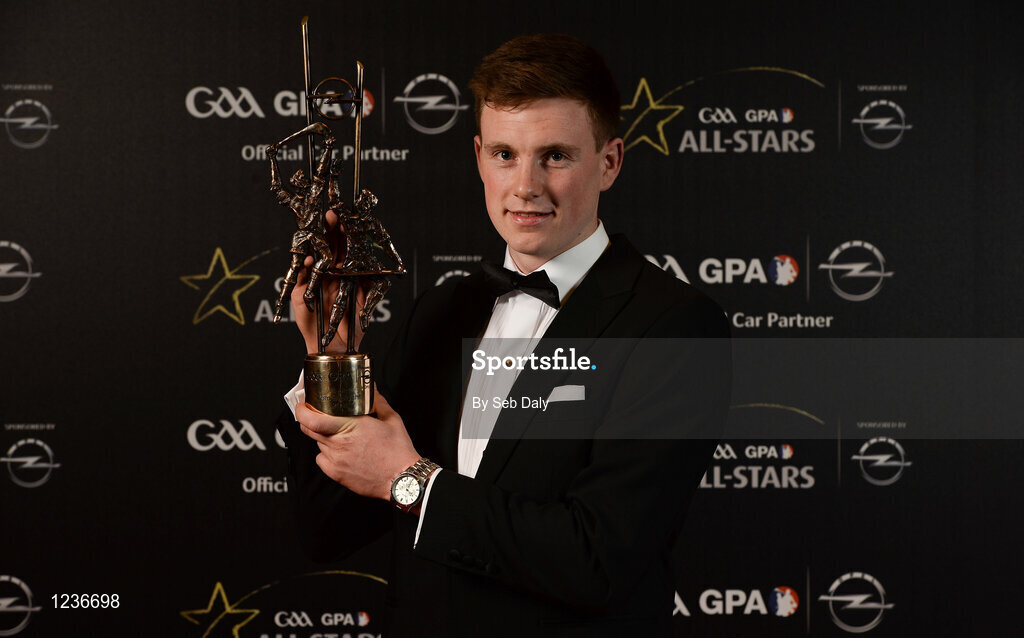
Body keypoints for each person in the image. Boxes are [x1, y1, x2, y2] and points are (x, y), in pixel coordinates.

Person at [277, 33, 730, 637]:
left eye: (556, 156)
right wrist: (333, 357)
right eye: (505, 154)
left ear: (611, 161)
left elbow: (598, 560)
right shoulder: (442, 311)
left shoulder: (673, 327)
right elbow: (328, 530)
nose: (525, 186)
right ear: (478, 157)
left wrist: (410, 482)